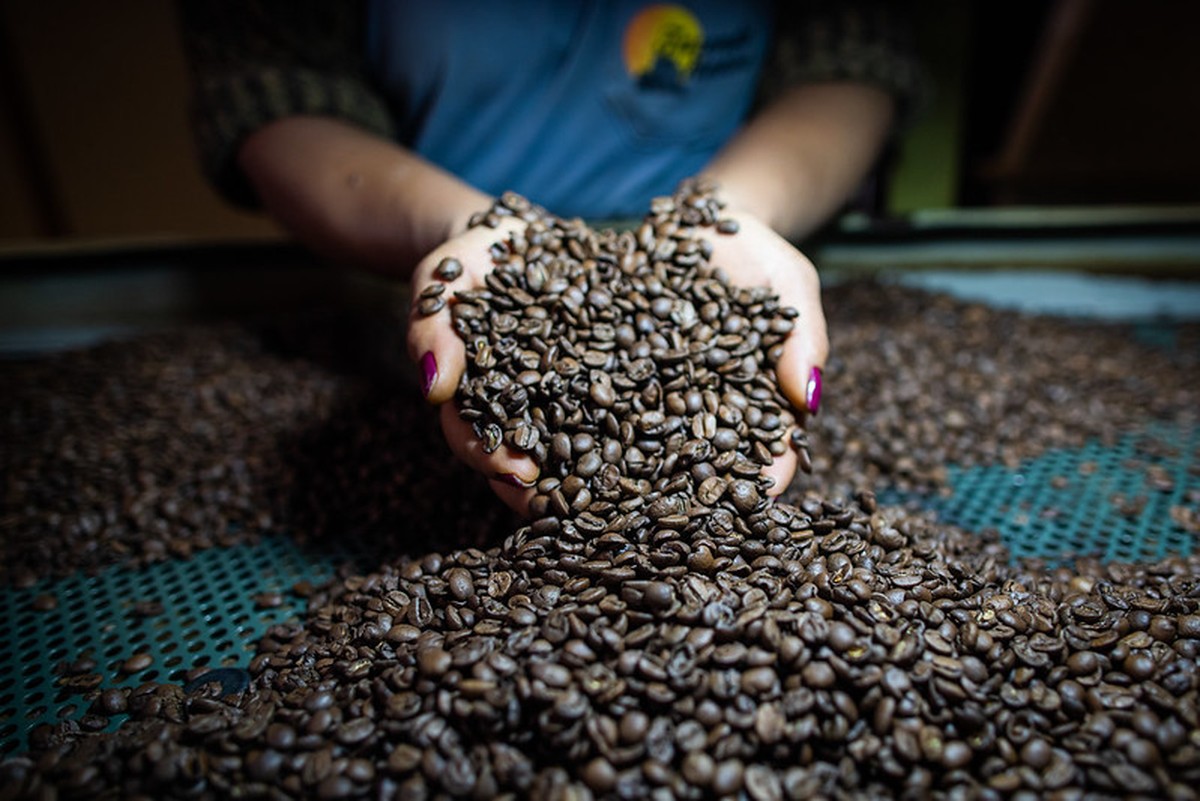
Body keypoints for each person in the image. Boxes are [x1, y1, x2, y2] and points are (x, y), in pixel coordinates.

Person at [177, 1, 924, 514]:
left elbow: (851, 53)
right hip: (398, 252)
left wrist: (725, 215)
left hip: (757, 203)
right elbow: (274, 95)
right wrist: (467, 226)